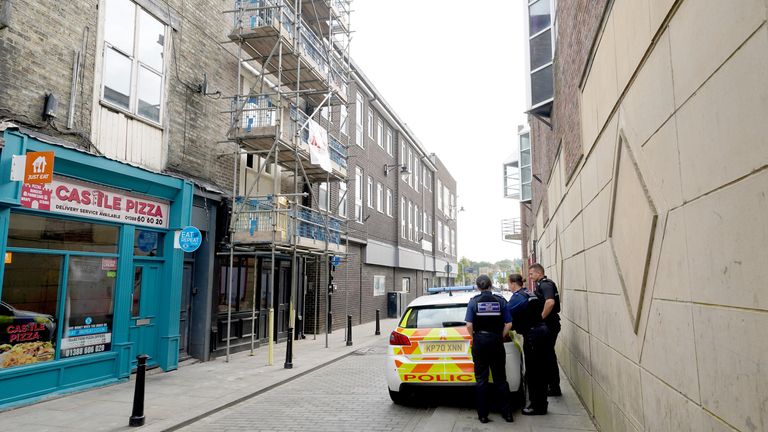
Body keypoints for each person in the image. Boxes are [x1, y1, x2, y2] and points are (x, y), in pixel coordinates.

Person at [465, 275, 514, 424]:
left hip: (480, 341)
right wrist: (501, 336)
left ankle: (483, 415)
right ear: (491, 285)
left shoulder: (473, 302)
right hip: (496, 342)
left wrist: (474, 337)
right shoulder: (500, 301)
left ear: (478, 286)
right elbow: (509, 323)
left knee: (481, 380)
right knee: (500, 379)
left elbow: (468, 324)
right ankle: (507, 414)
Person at [507, 272, 549, 415]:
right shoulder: (529, 293)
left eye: (509, 283)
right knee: (541, 370)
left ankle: (536, 406)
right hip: (541, 332)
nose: (509, 286)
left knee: (533, 372)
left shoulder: (518, 297)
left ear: (512, 283)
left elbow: (506, 314)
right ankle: (542, 404)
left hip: (533, 336)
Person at [528, 263, 562, 397]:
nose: (530, 277)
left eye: (531, 274)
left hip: (549, 324)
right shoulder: (542, 284)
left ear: (539, 273)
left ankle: (554, 387)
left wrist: (540, 318)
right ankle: (553, 386)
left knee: (548, 357)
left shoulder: (545, 284)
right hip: (549, 324)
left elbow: (550, 302)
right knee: (548, 356)